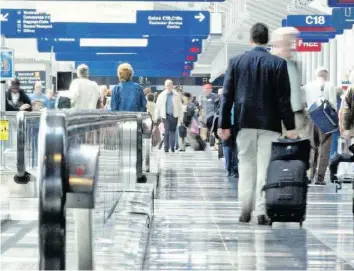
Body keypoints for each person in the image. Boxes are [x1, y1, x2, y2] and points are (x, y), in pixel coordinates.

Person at [218, 23, 296, 225]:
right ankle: (262, 212)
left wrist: (223, 124)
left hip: (244, 123)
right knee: (265, 168)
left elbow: (227, 96)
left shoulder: (236, 62)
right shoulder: (278, 64)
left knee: (245, 166)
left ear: (250, 40)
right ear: (267, 40)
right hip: (270, 125)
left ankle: (245, 210)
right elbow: (284, 100)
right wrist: (290, 127)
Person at [303, 67, 337, 185]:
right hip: (325, 120)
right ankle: (320, 178)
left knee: (312, 147)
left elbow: (304, 104)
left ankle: (309, 175)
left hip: (311, 118)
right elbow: (332, 104)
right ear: (326, 75)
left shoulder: (307, 86)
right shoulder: (330, 86)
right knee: (324, 148)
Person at [272, 27, 307, 136]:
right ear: (278, 43)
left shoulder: (295, 63)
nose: (292, 45)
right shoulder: (272, 64)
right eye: (288, 42)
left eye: (293, 41)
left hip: (298, 114)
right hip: (280, 116)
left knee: (300, 148)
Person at [154, 79, 183, 153]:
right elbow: (158, 106)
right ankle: (166, 147)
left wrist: (181, 118)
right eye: (167, 85)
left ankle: (172, 147)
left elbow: (180, 107)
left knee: (172, 131)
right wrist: (156, 117)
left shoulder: (176, 95)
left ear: (172, 86)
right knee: (167, 130)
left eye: (170, 85)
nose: (169, 87)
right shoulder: (162, 95)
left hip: (174, 116)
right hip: (165, 116)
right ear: (165, 86)